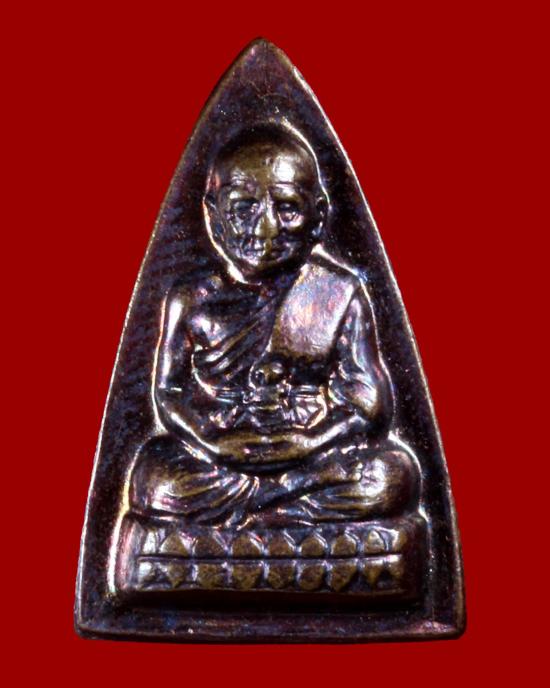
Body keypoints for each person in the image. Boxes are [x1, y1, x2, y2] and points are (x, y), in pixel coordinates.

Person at [130, 125, 419, 527]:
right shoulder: (191, 298)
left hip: (311, 449)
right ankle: (284, 509)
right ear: (213, 216)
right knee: (154, 480)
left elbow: (369, 402)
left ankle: (256, 512)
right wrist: (211, 442)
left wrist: (311, 441)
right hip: (223, 453)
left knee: (392, 474)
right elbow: (169, 392)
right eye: (243, 208)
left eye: (287, 208)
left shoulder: (337, 292)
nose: (265, 229)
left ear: (318, 216)